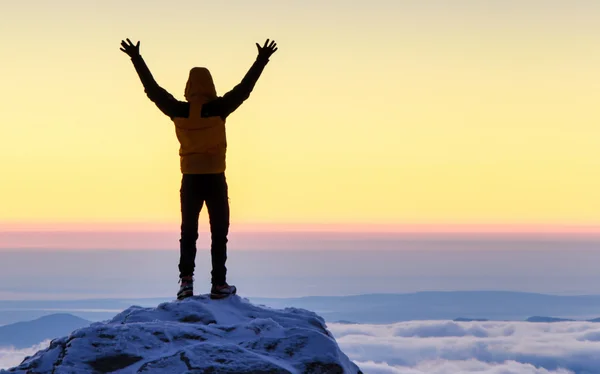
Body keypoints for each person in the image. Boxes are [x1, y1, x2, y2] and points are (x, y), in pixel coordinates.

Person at [120, 38, 278, 300]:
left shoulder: (177, 111)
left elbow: (153, 90)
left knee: (188, 232)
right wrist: (262, 59)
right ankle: (219, 284)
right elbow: (244, 89)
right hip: (215, 178)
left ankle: (186, 283)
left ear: (188, 87)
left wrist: (136, 58)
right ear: (210, 86)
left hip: (190, 179)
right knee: (219, 232)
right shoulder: (219, 109)